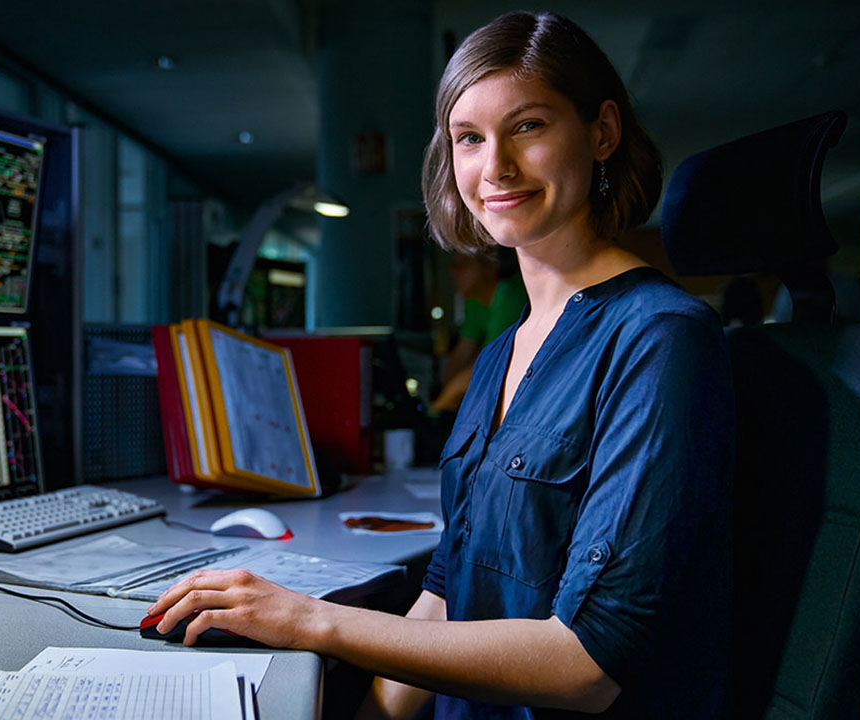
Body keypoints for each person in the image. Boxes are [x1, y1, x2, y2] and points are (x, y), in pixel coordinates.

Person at [146, 11, 733, 718]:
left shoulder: (661, 338)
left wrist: (310, 621)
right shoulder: (498, 356)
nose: (496, 167)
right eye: (469, 138)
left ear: (602, 131)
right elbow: (446, 599)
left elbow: (589, 666)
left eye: (528, 126)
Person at [429, 250, 526, 413]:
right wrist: (445, 398)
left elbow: (489, 365)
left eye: (462, 265)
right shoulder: (474, 297)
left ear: (490, 267)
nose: (453, 272)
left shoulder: (508, 296)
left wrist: (437, 408)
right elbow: (462, 353)